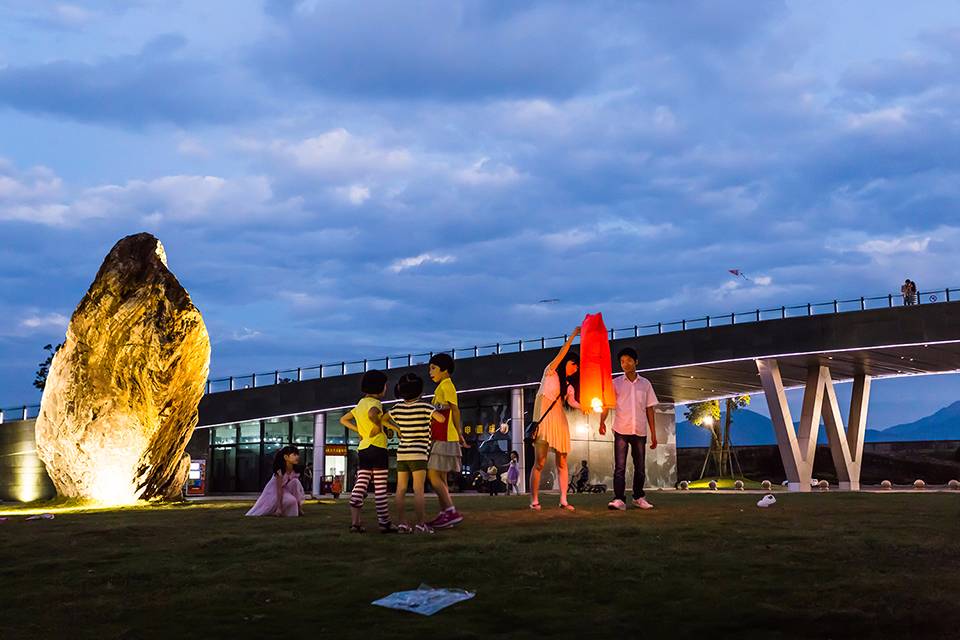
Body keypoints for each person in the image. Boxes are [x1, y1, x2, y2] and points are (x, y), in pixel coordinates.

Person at [382, 372, 446, 534]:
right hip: (419, 453)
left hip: (402, 453)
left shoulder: (397, 408)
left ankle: (402, 523)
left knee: (400, 489)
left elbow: (383, 419)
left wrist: (397, 429)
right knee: (418, 490)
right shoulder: (425, 407)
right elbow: (441, 419)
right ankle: (420, 524)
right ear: (419, 391)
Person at [529, 326, 581, 512]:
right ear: (566, 362)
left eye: (577, 366)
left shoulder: (568, 386)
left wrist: (587, 407)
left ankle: (564, 500)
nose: (576, 368)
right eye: (574, 364)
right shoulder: (550, 372)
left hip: (559, 420)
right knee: (540, 461)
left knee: (563, 461)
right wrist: (574, 335)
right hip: (544, 418)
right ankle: (534, 500)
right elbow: (562, 352)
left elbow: (573, 402)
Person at [600, 347, 658, 510]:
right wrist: (602, 422)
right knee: (620, 467)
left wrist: (654, 434)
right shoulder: (615, 383)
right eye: (622, 361)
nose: (625, 364)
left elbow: (649, 409)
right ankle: (619, 499)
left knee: (640, 467)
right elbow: (607, 404)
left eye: (629, 361)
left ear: (636, 362)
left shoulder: (645, 384)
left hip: (639, 430)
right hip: (621, 429)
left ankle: (638, 497)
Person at [341, 370, 398, 533]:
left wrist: (359, 431)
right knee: (380, 488)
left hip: (364, 448)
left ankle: (355, 523)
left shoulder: (360, 404)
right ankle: (384, 523)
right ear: (379, 387)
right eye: (385, 385)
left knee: (361, 482)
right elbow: (373, 414)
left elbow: (343, 420)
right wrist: (376, 426)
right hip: (378, 447)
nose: (386, 388)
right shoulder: (376, 402)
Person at [426, 353, 469, 529]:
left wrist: (459, 433)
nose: (430, 372)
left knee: (433, 474)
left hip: (445, 436)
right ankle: (445, 513)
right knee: (441, 477)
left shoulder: (447, 386)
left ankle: (450, 511)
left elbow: (455, 410)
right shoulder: (441, 387)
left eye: (433, 368)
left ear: (445, 370)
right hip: (441, 436)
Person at [246, 445, 305, 517]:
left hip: (285, 489)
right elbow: (279, 489)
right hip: (274, 491)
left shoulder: (295, 471)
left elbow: (295, 488)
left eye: (297, 455)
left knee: (295, 482)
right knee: (291, 501)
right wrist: (279, 508)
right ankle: (277, 510)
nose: (297, 457)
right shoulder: (280, 471)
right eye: (294, 455)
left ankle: (298, 508)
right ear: (286, 457)